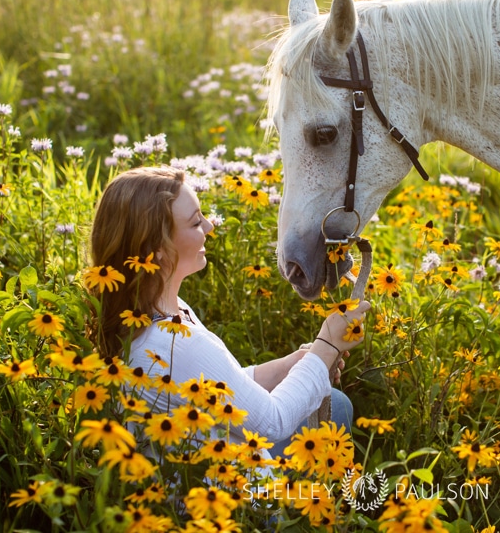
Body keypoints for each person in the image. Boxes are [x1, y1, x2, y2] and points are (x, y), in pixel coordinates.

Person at [86, 165, 370, 456]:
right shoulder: (174, 343)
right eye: (196, 223)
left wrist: (296, 363)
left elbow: (220, 385)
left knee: (336, 404)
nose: (209, 227)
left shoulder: (159, 314)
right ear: (157, 247)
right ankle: (316, 498)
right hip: (233, 490)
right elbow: (272, 422)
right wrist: (327, 345)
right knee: (335, 409)